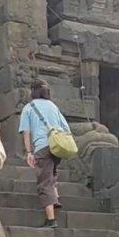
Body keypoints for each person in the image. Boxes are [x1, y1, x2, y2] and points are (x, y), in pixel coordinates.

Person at [17, 80, 69, 228]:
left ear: (32, 91)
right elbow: (66, 127)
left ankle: (51, 219)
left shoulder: (29, 107)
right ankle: (56, 198)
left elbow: (26, 132)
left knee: (44, 181)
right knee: (52, 172)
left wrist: (29, 152)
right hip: (57, 145)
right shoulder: (53, 106)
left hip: (42, 146)